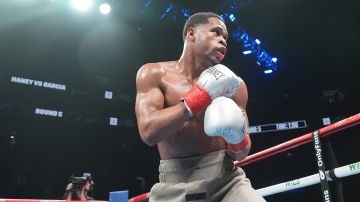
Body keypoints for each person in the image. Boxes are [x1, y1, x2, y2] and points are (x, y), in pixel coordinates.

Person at [135, 12, 266, 202]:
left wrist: (236, 136)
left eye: (226, 38)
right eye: (216, 32)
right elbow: (148, 133)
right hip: (173, 186)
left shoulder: (235, 86)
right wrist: (200, 97)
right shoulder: (154, 74)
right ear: (191, 33)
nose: (223, 41)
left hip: (228, 182)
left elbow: (241, 153)